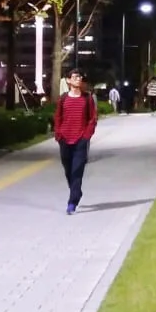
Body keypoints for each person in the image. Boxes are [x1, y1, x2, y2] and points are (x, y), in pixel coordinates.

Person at [52, 68, 98, 215]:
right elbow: (58, 117)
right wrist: (58, 134)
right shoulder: (63, 98)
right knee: (68, 171)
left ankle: (72, 203)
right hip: (64, 139)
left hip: (80, 140)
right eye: (75, 77)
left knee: (77, 171)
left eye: (80, 77)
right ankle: (76, 192)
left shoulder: (87, 98)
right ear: (68, 80)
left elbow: (92, 118)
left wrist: (86, 136)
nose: (78, 79)